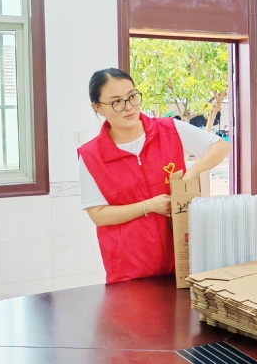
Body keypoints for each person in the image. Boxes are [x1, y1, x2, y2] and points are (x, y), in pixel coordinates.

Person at [78, 68, 231, 284]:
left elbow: (220, 147)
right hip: (129, 270)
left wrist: (193, 171)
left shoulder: (169, 130)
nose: (129, 107)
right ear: (97, 107)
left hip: (181, 261)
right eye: (116, 102)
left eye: (132, 96)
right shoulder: (91, 156)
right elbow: (99, 215)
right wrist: (147, 206)